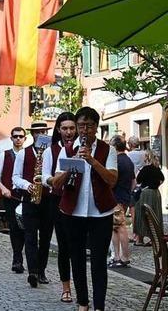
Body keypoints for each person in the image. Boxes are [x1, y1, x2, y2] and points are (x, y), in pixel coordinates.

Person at [51, 106, 118, 311]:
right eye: (81, 126)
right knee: (77, 259)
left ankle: (99, 306)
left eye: (89, 126)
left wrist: (92, 160)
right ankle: (82, 302)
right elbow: (55, 182)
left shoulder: (108, 150)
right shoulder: (67, 149)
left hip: (101, 213)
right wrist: (72, 164)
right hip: (73, 212)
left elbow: (112, 179)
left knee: (98, 262)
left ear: (96, 127)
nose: (84, 130)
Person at [12, 121, 54, 288]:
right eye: (36, 132)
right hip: (30, 199)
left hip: (48, 199)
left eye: (42, 132)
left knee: (45, 238)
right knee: (30, 237)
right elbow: (15, 177)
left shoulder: (52, 152)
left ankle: (41, 270)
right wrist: (26, 185)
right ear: (32, 134)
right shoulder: (24, 153)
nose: (39, 135)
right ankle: (32, 272)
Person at [42, 112, 76, 303]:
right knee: (63, 246)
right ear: (58, 130)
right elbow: (46, 178)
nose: (68, 132)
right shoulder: (51, 151)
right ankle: (66, 288)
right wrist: (56, 179)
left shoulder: (82, 148)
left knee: (77, 246)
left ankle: (81, 286)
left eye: (72, 128)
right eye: (64, 128)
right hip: (58, 201)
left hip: (79, 200)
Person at [0, 126, 26, 274]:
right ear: (11, 138)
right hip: (10, 196)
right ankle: (17, 258)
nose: (18, 139)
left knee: (27, 228)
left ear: (25, 138)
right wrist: (3, 188)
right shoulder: (4, 155)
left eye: (21, 136)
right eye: (15, 136)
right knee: (14, 228)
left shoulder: (30, 154)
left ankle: (28, 258)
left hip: (27, 196)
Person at [109, 135, 134, 268]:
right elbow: (133, 181)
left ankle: (122, 257)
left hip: (116, 198)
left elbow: (112, 181)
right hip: (124, 197)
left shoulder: (116, 161)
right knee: (117, 228)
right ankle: (119, 256)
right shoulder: (128, 160)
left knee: (119, 228)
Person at [133, 157, 164, 246]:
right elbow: (162, 179)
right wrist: (156, 185)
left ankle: (140, 240)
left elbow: (138, 180)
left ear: (147, 159)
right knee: (155, 214)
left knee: (141, 214)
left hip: (145, 193)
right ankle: (153, 239)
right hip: (155, 193)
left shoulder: (145, 168)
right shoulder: (157, 169)